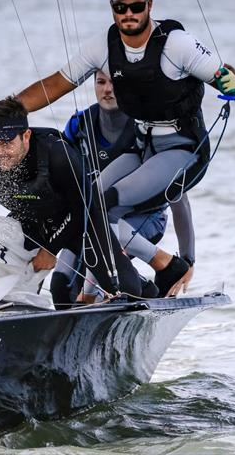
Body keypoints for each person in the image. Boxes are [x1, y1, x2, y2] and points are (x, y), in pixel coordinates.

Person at [0, 0, 235, 297]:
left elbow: (224, 75)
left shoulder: (176, 45)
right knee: (89, 202)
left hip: (182, 148)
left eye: (136, 6)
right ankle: (115, 287)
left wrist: (229, 84)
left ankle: (167, 266)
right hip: (142, 146)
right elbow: (54, 85)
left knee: (101, 206)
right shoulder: (102, 48)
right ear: (112, 9)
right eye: (122, 8)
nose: (129, 14)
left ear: (149, 5)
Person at [0, 97, 142, 308]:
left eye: (7, 143)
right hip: (31, 222)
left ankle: (146, 289)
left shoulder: (57, 153)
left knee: (127, 293)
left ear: (26, 135)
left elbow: (83, 207)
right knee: (60, 294)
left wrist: (50, 249)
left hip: (80, 218)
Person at [54, 70, 195, 302]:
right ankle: (143, 288)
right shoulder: (80, 124)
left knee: (100, 267)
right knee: (61, 289)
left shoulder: (148, 128)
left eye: (115, 83)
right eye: (100, 82)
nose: (107, 89)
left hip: (145, 220)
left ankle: (162, 266)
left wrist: (189, 260)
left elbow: (181, 199)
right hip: (94, 218)